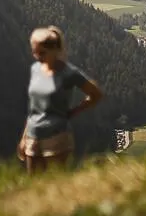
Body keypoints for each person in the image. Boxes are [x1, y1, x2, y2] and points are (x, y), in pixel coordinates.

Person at [18, 25, 104, 173]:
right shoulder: (36, 69)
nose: (37, 57)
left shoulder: (69, 73)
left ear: (54, 50)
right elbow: (33, 108)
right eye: (35, 52)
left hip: (57, 137)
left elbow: (95, 94)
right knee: (34, 183)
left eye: (42, 53)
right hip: (33, 137)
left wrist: (74, 112)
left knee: (55, 181)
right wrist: (24, 138)